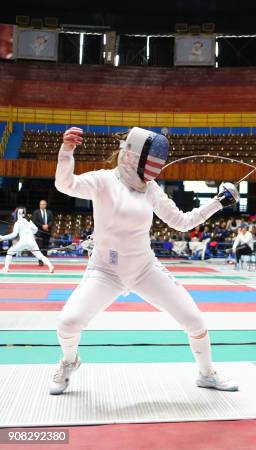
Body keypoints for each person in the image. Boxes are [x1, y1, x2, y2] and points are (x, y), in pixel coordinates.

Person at [51, 126, 240, 395]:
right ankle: (69, 362)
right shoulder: (104, 180)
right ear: (133, 155)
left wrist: (218, 202)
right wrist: (66, 151)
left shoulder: (150, 189)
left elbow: (182, 222)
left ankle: (207, 374)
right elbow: (65, 184)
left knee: (195, 321)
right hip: (105, 271)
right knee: (67, 323)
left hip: (144, 269)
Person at [1, 207, 55, 273]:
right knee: (40, 255)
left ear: (18, 214)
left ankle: (6, 268)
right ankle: (50, 266)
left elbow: (14, 235)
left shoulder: (17, 223)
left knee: (9, 252)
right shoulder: (29, 221)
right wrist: (29, 231)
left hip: (23, 242)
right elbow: (36, 230)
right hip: (32, 242)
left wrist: (2, 238)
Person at [32, 199, 54, 265]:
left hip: (47, 232)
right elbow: (34, 221)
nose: (42, 205)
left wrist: (47, 225)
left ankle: (45, 260)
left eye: (44, 204)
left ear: (46, 205)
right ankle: (40, 260)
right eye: (41, 204)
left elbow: (52, 221)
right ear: (39, 205)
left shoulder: (49, 212)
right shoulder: (36, 212)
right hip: (39, 232)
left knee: (45, 247)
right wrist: (42, 226)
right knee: (40, 247)